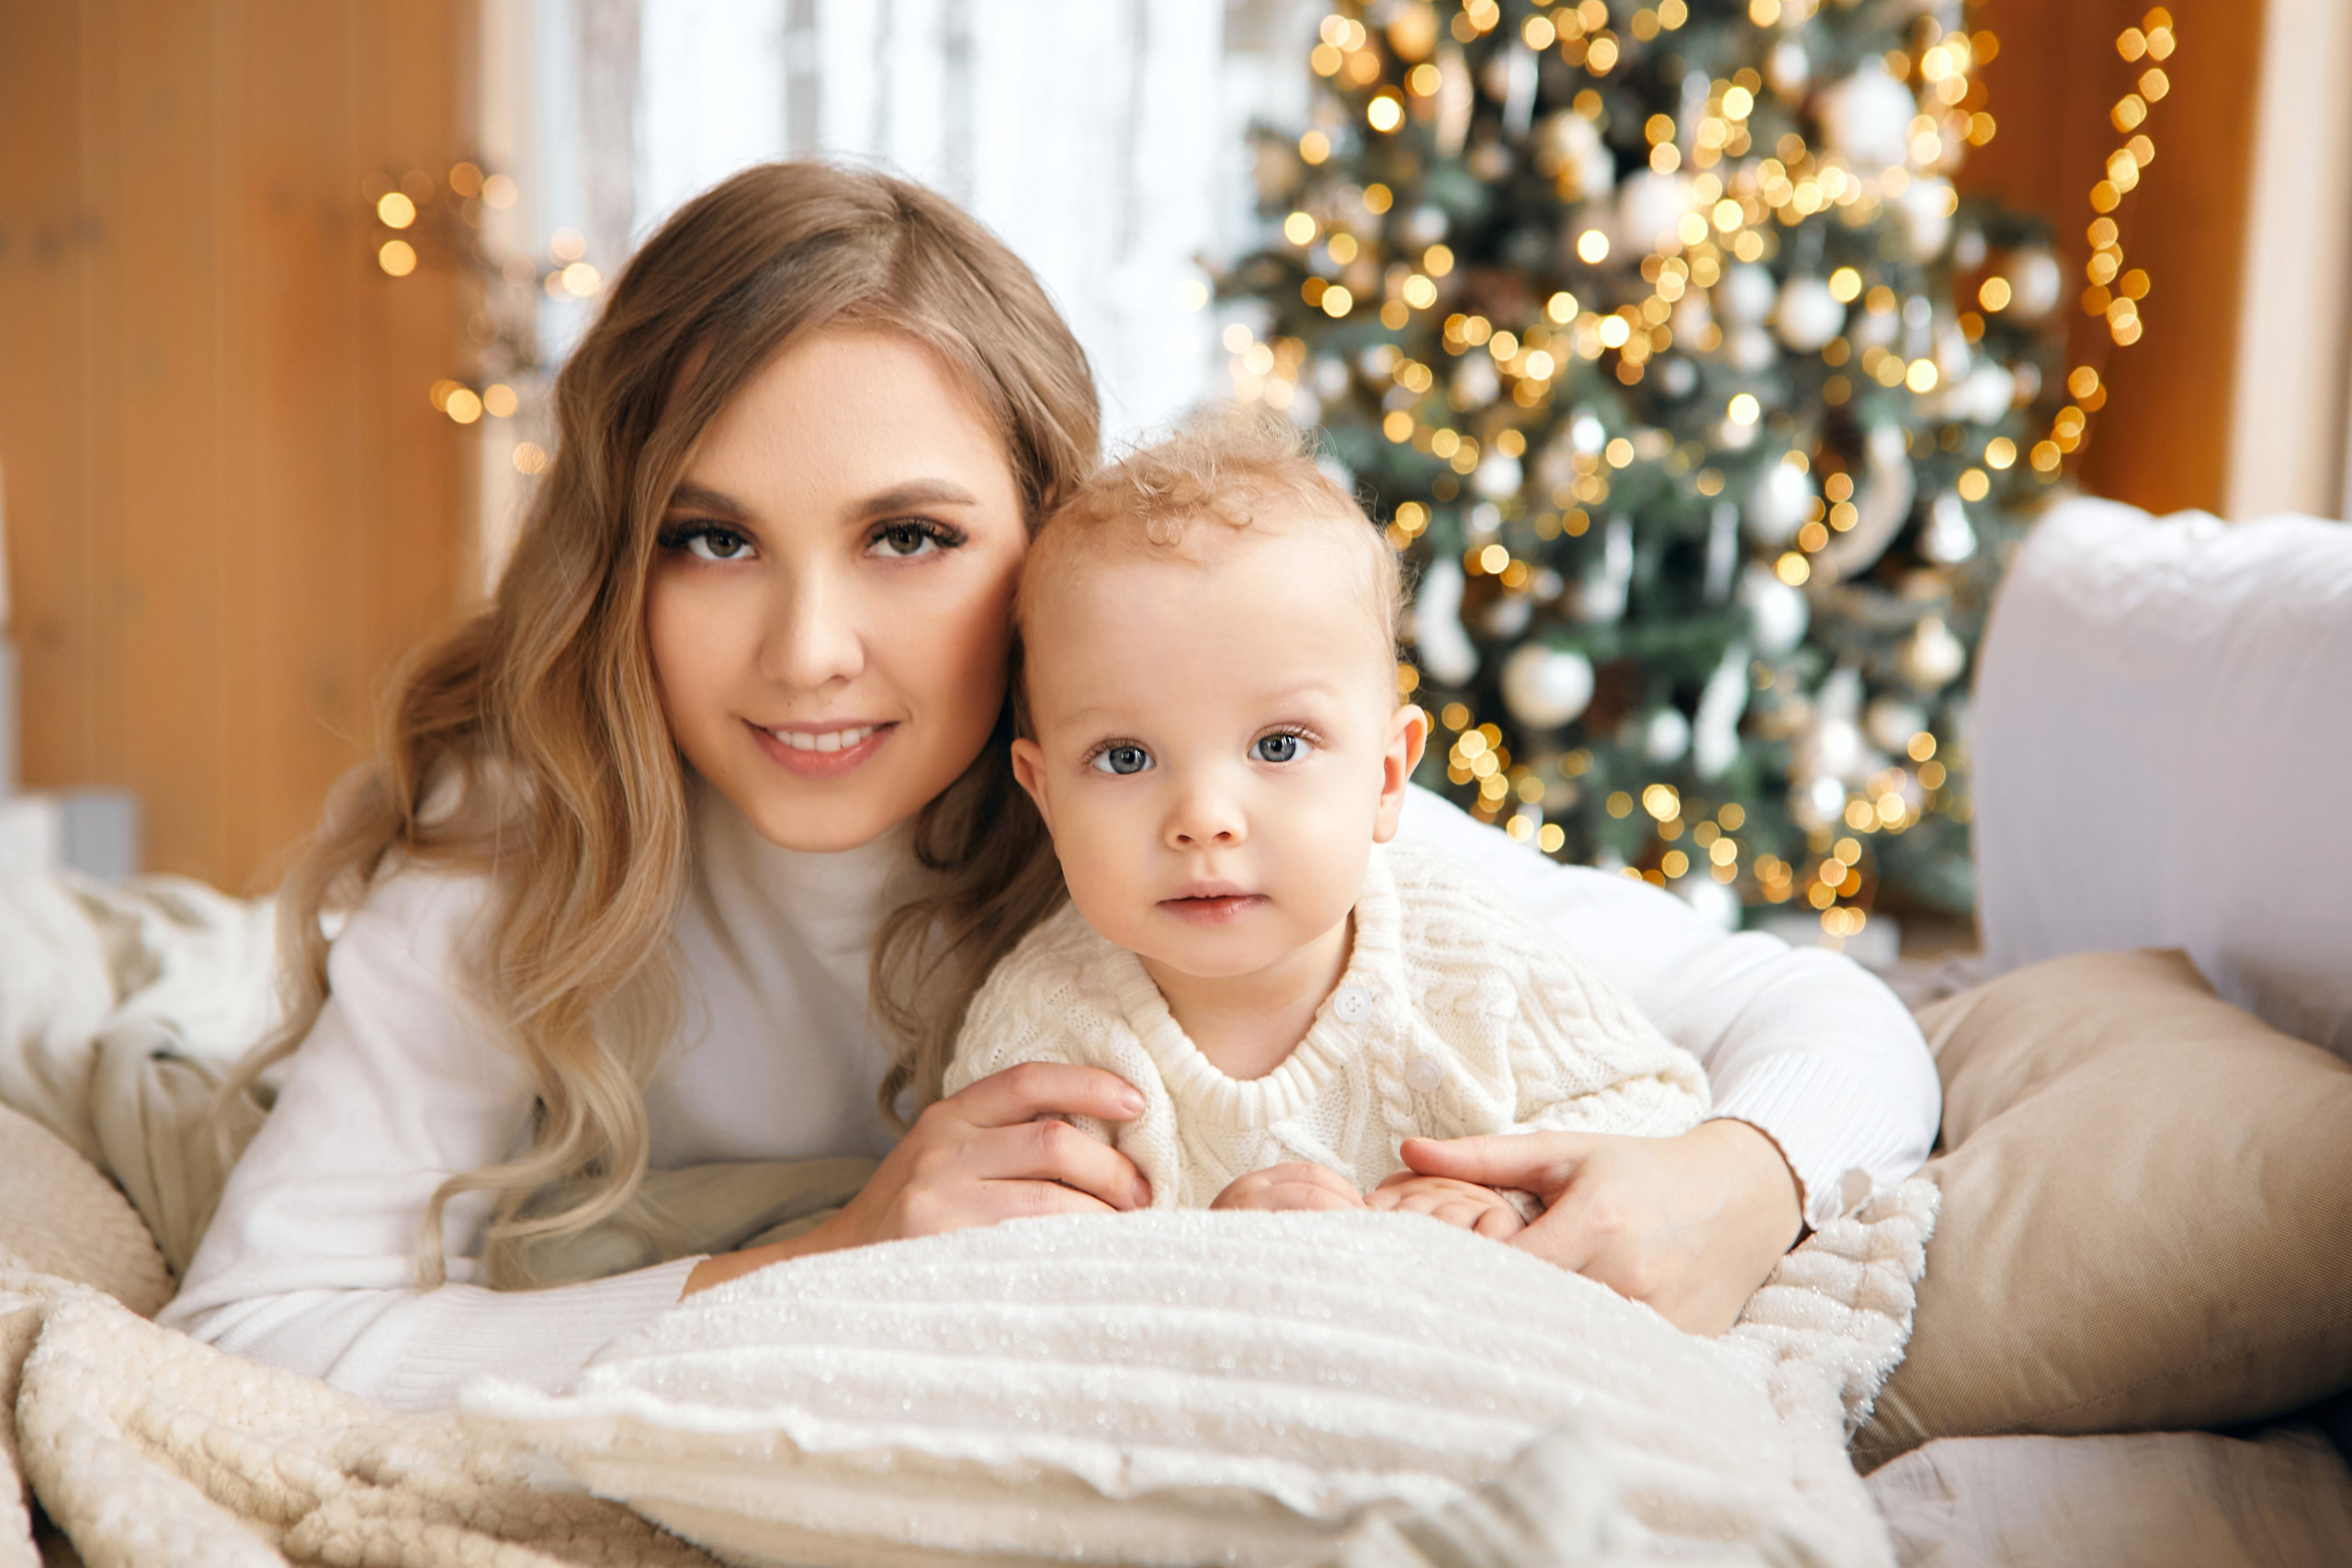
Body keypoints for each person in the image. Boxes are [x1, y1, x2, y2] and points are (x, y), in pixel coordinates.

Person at [159, 162, 1939, 1413]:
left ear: (1041, 554)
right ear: (616, 554)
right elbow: (249, 1333)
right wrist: (824, 1256)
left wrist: (1733, 1174)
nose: (806, 649)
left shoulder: (1186, 812)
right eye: (711, 540)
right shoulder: (523, 866)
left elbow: (1826, 1010)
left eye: (908, 537)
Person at [944, 413, 1711, 1237]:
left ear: (1386, 776)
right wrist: (1206, 1248)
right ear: (1045, 793)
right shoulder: (1044, 1031)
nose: (1204, 820)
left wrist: (1506, 1195)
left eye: (1278, 745)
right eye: (1125, 758)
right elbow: (1004, 1270)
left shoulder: (1462, 950)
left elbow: (1660, 1108)